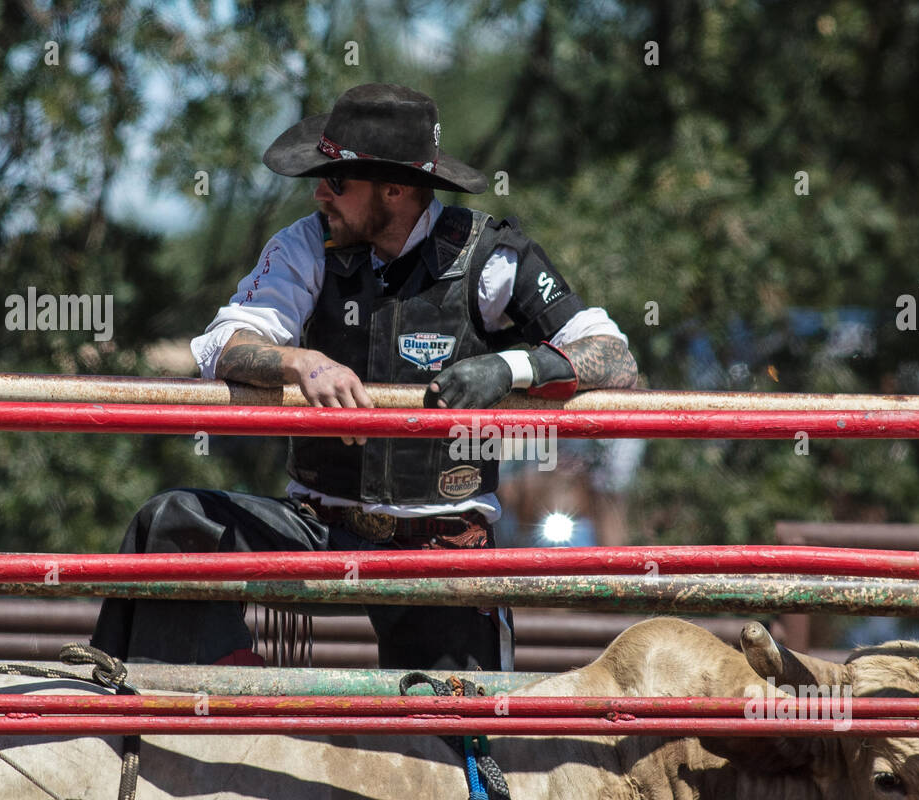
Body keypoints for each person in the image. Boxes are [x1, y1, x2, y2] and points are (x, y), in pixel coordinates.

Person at [90, 83, 638, 672]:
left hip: (440, 544)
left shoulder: (493, 259)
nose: (321, 193)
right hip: (319, 530)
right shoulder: (305, 244)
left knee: (458, 743)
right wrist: (300, 362)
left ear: (396, 190)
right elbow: (224, 342)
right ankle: (209, 711)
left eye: (338, 181)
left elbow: (614, 356)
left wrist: (513, 366)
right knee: (172, 522)